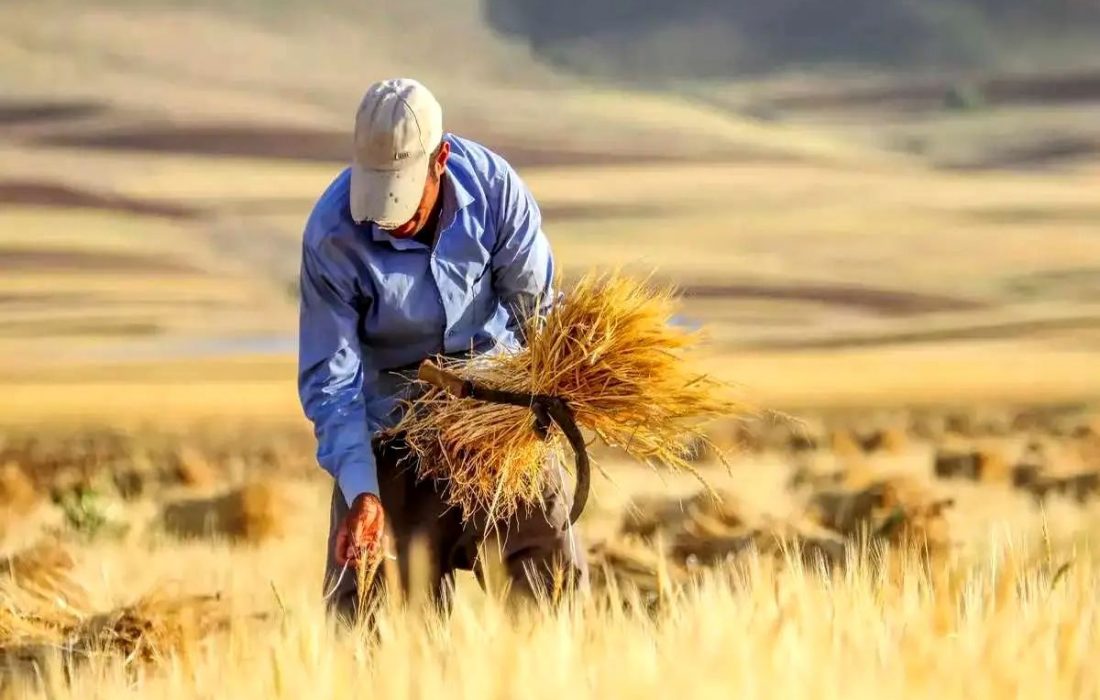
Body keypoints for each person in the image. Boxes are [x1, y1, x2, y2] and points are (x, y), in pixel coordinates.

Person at [297, 78, 588, 621]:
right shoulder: (331, 236)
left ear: (441, 160)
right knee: (366, 617)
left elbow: (537, 318)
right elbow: (331, 384)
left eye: (402, 192)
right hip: (394, 430)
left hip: (499, 422)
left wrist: (555, 394)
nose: (389, 214)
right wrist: (362, 492)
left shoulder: (497, 192)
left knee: (553, 600)